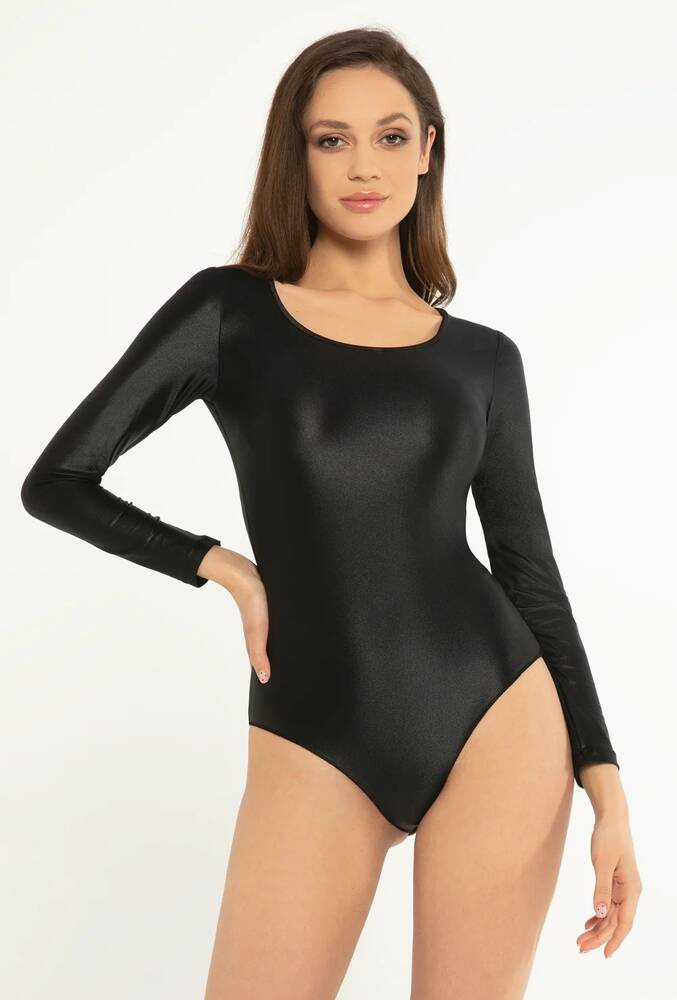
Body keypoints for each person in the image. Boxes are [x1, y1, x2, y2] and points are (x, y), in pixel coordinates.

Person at [20, 26, 641, 1000]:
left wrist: (606, 791)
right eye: (330, 139)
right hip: (312, 725)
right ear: (295, 155)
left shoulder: (480, 360)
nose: (363, 166)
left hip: (498, 717)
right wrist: (220, 565)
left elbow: (528, 575)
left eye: (390, 137)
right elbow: (57, 479)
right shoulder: (228, 313)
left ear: (427, 149)